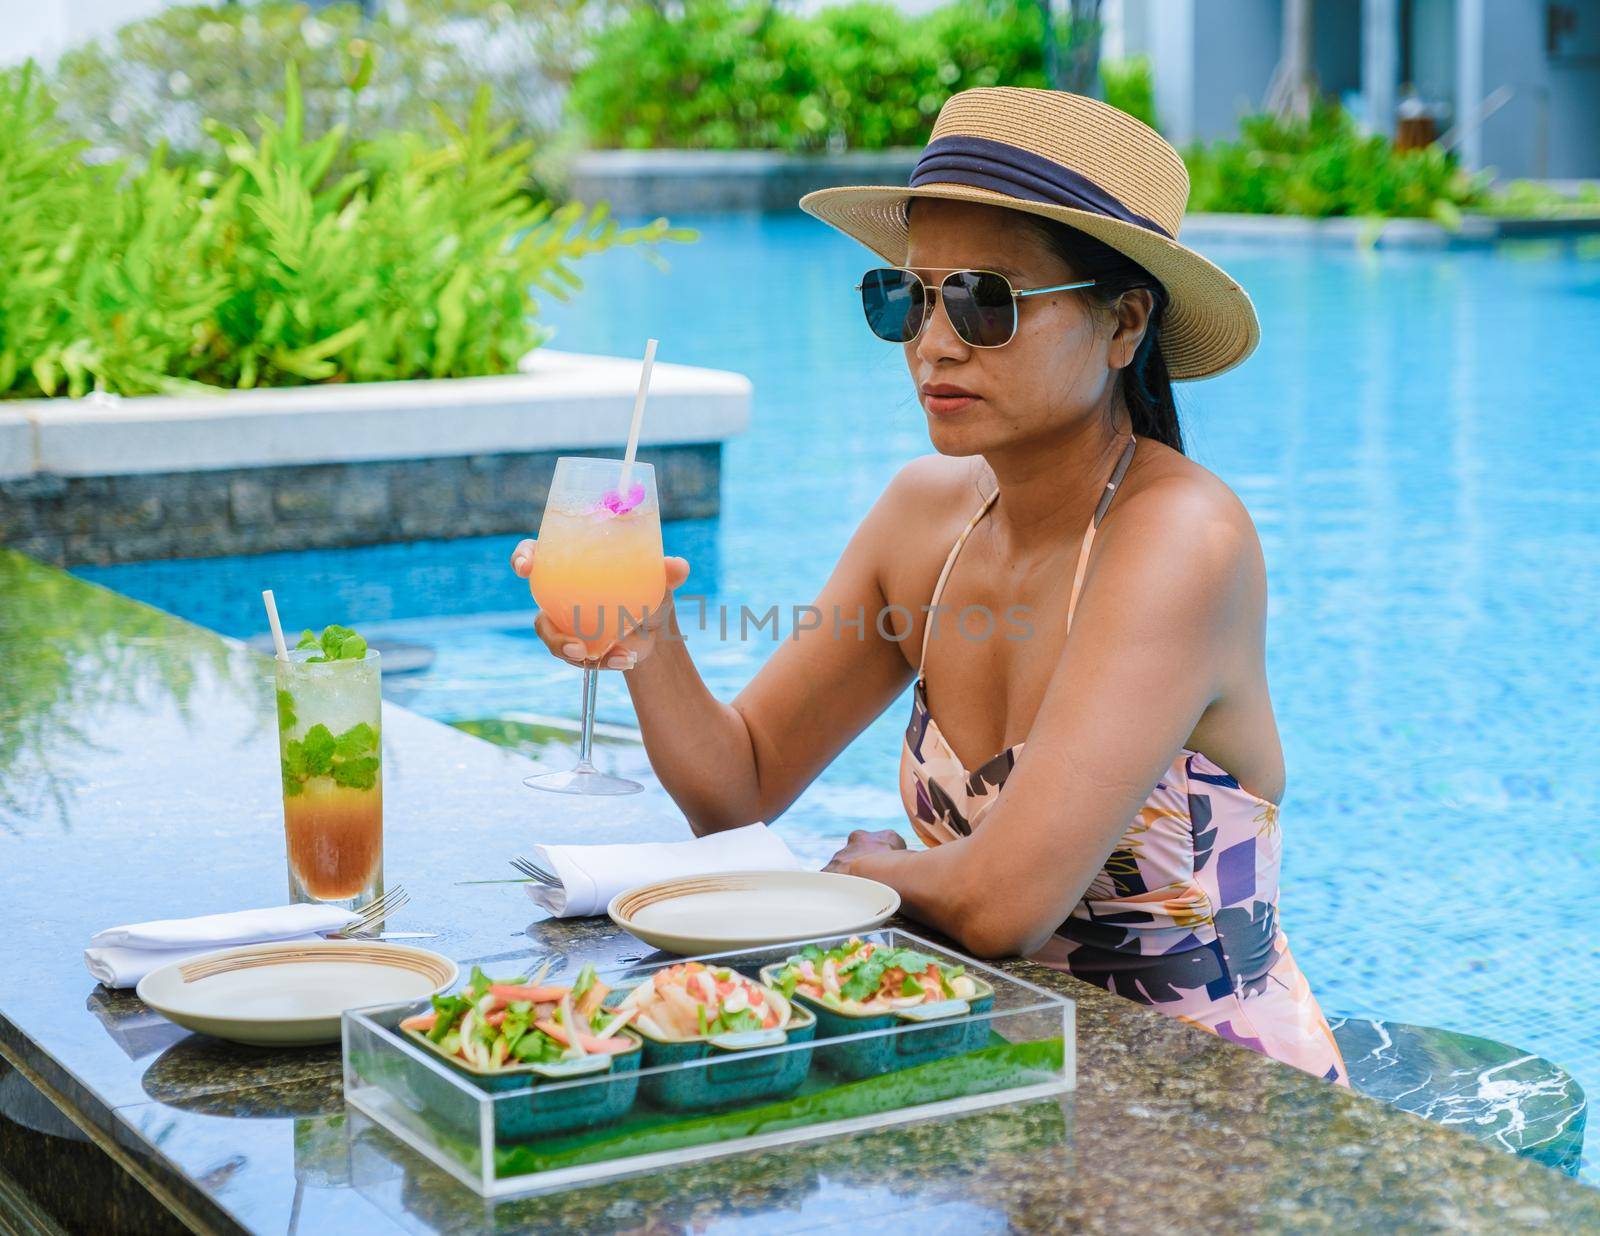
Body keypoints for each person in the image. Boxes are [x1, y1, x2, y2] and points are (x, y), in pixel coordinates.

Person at [512, 88, 1346, 1082]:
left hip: (1209, 1099)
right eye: (905, 296)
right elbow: (736, 786)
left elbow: (1003, 905)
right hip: (989, 1068)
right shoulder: (927, 519)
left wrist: (873, 873)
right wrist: (645, 631)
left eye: (983, 301)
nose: (932, 342)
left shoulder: (1179, 540)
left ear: (1123, 324)